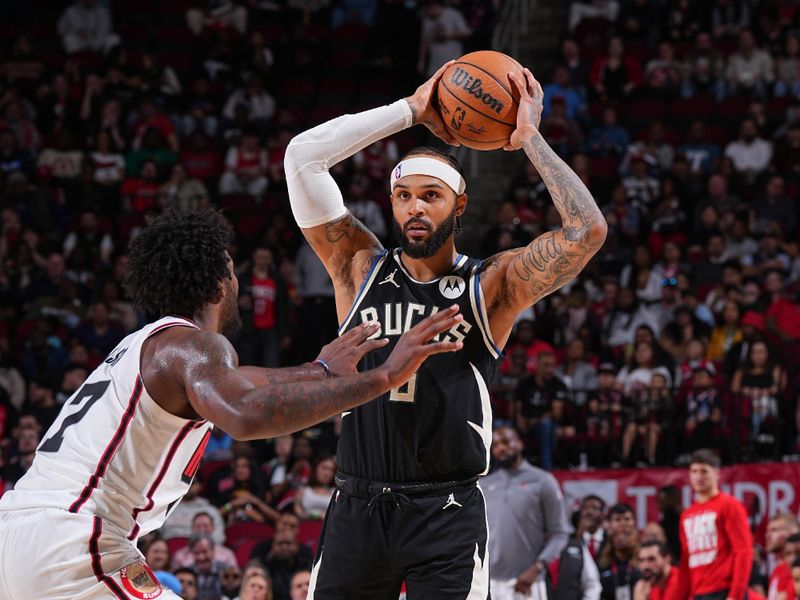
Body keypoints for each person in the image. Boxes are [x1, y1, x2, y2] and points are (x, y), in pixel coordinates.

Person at [0, 208, 464, 599]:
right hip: (74, 541)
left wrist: (319, 369)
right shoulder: (198, 345)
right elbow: (245, 413)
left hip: (17, 529)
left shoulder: (147, 347)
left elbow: (244, 383)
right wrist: (384, 376)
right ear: (221, 280)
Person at [285, 62, 607, 598]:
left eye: (430, 196)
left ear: (458, 204)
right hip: (358, 504)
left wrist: (528, 139)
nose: (414, 207)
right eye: (403, 195)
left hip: (448, 511)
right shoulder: (358, 267)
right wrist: (410, 110)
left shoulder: (490, 285)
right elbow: (303, 157)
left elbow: (586, 230)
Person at [483, 426, 570, 599]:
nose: (501, 448)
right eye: (496, 445)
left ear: (520, 444)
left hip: (526, 582)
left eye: (506, 442)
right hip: (489, 582)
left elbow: (560, 533)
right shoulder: (485, 485)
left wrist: (537, 567)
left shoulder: (543, 481)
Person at [667, 449, 753, 600]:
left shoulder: (729, 506)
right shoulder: (687, 515)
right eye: (694, 471)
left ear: (717, 474)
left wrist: (735, 595)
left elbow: (743, 551)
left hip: (724, 590)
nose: (698, 477)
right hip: (699, 593)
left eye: (704, 471)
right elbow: (686, 562)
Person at [766, 515, 799, 600]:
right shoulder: (778, 570)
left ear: (792, 531)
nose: (767, 535)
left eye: (774, 530)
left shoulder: (793, 569)